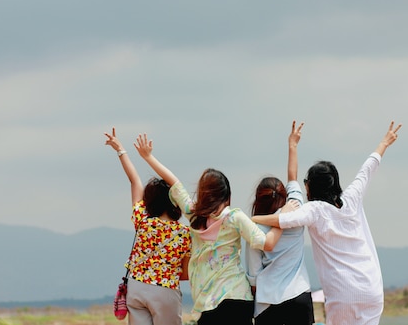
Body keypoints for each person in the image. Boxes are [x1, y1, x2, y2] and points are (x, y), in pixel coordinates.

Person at [252, 121, 402, 325]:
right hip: (371, 290)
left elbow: (283, 220)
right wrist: (384, 142)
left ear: (310, 187)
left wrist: (252, 219)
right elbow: (367, 169)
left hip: (343, 294)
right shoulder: (352, 199)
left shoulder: (315, 211)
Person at [134, 133, 285, 325]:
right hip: (238, 297)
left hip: (208, 304)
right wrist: (282, 219)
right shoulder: (234, 217)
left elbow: (174, 182)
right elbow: (267, 243)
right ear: (227, 194)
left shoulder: (194, 215)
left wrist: (148, 157)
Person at [104, 128, 191, 325]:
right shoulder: (185, 233)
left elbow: (134, 181)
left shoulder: (143, 221)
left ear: (149, 201)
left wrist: (121, 150)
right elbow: (185, 273)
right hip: (166, 289)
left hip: (136, 287)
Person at [245, 120, 315, 325]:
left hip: (268, 302)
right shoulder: (295, 208)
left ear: (258, 200)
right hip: (299, 294)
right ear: (284, 195)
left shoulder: (253, 228)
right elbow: (293, 176)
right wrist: (293, 145)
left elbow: (255, 276)